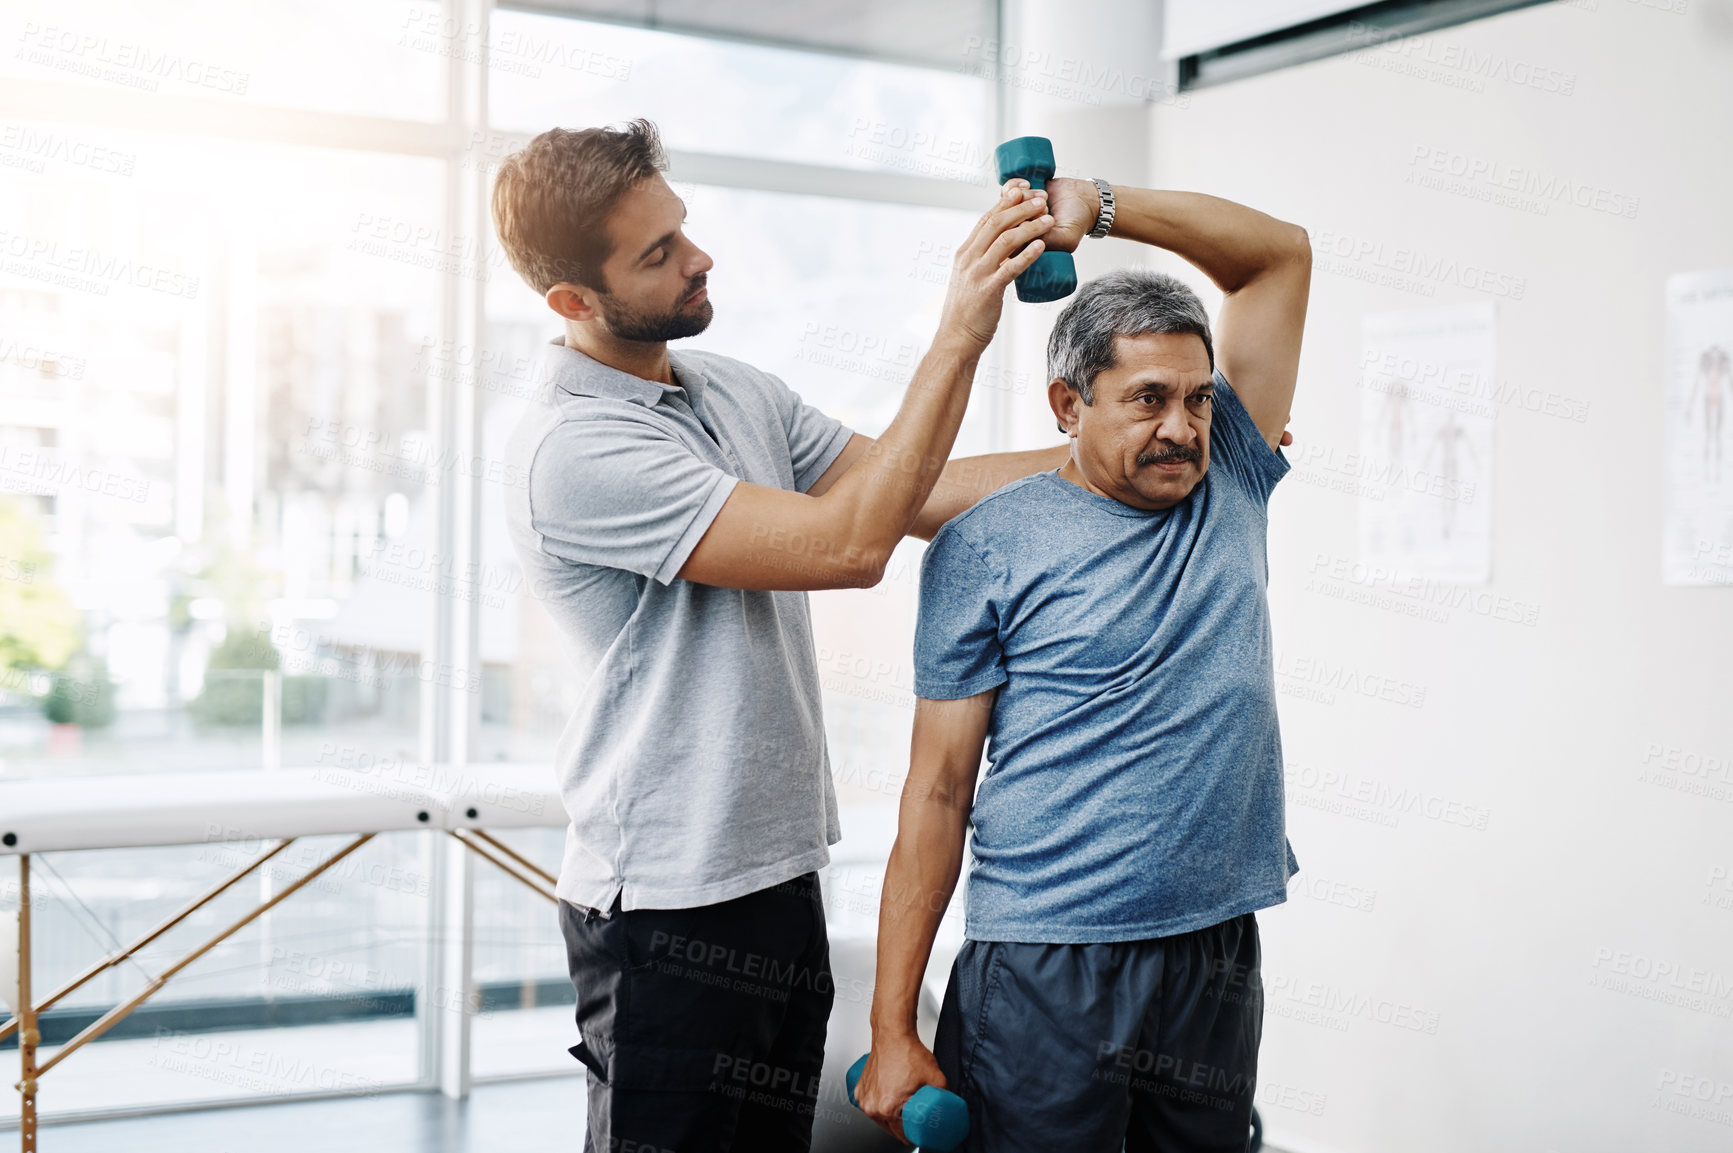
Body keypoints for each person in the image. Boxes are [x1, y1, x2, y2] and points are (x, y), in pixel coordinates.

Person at [491, 118, 1076, 1153]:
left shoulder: (729, 390)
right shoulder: (575, 446)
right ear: (572, 302)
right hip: (665, 911)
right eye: (656, 253)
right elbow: (851, 545)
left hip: (775, 877)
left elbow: (920, 490)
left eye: (682, 229)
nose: (696, 257)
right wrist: (959, 334)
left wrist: (1115, 452)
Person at [857, 178, 1312, 1152]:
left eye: (1195, 398)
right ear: (1067, 403)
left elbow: (1279, 254)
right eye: (1147, 398)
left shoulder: (1229, 467)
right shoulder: (985, 546)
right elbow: (936, 792)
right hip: (1045, 961)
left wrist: (1097, 204)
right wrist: (891, 1024)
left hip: (1212, 947)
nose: (1182, 427)